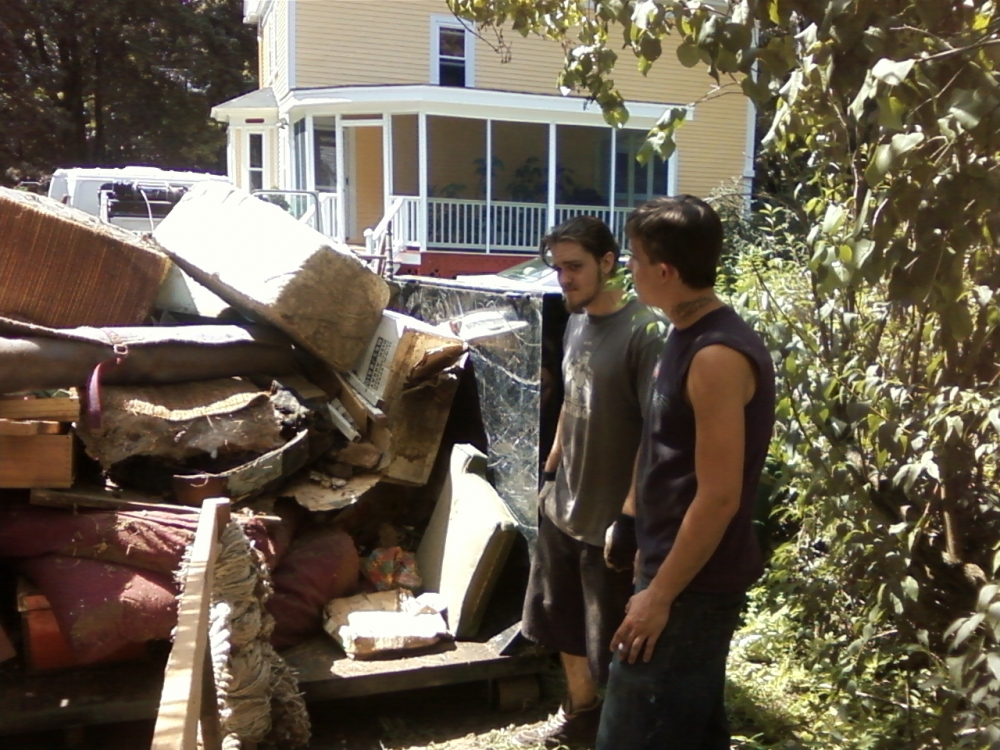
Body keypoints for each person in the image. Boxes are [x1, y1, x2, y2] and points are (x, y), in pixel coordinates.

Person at [596, 195, 776, 750]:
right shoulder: (679, 333)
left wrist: (660, 595)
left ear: (665, 271)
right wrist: (629, 522)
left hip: (693, 585)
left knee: (635, 730)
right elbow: (659, 443)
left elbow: (719, 496)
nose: (627, 267)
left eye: (633, 257)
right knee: (689, 728)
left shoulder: (716, 356)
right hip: (668, 562)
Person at [515, 215, 665, 748]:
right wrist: (551, 471)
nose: (564, 279)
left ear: (608, 262)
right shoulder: (576, 320)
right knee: (560, 621)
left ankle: (621, 733)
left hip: (609, 521)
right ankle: (580, 713)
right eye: (557, 268)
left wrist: (628, 515)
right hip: (564, 505)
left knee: (611, 644)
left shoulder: (646, 333)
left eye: (575, 267)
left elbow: (656, 434)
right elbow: (570, 404)